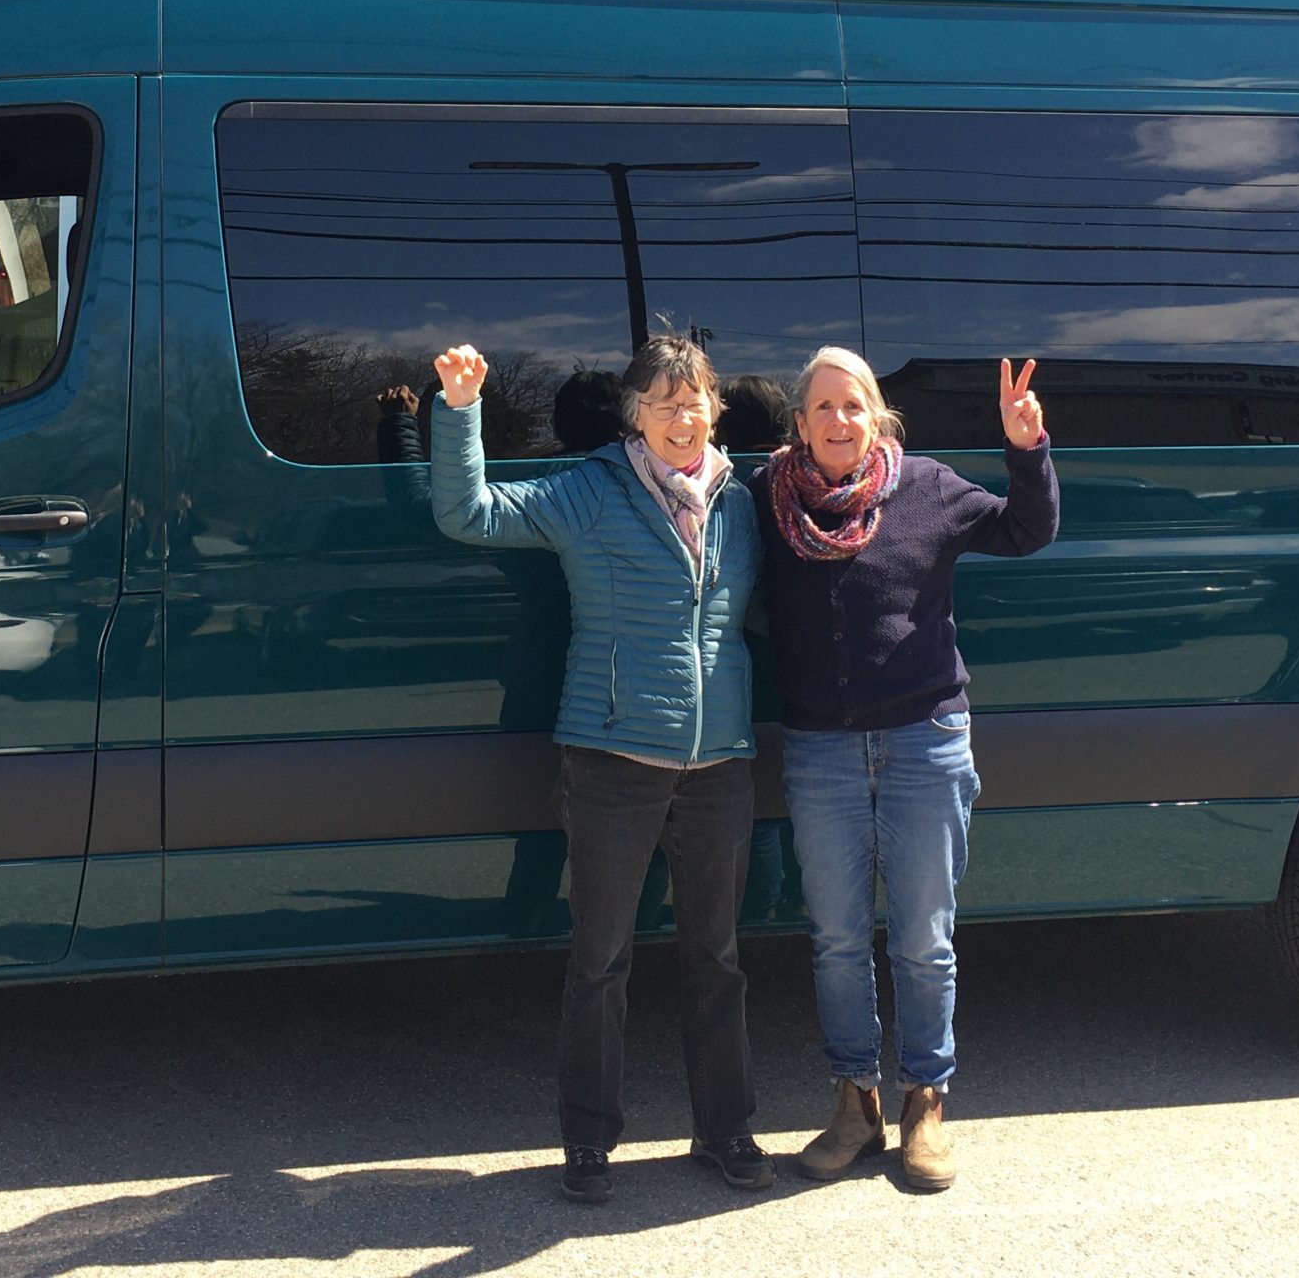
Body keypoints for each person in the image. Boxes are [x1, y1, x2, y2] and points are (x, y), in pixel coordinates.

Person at [428, 332, 770, 1205]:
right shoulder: (590, 491)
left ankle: (725, 1127)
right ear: (635, 416)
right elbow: (469, 515)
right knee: (601, 960)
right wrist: (461, 411)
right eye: (663, 402)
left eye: (694, 400)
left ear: (715, 410)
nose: (682, 416)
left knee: (718, 958)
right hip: (614, 756)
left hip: (720, 761)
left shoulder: (741, 501)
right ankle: (588, 1139)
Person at [750, 348, 1058, 1193]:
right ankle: (855, 1100)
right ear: (800, 425)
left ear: (877, 415)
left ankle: (926, 1099)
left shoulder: (925, 486)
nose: (839, 422)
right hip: (820, 751)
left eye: (853, 406)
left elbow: (1028, 532)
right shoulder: (767, 499)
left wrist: (1026, 450)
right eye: (821, 408)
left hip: (925, 740)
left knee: (924, 938)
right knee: (839, 940)